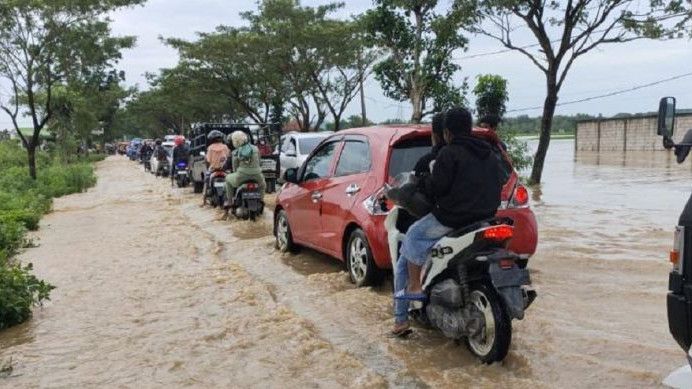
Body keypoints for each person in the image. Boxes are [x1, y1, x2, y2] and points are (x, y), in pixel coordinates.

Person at [391, 107, 505, 336]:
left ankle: (413, 288)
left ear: (446, 132)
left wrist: (425, 182)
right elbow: (501, 179)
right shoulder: (490, 153)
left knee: (413, 234)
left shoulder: (448, 154)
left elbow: (436, 189)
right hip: (486, 217)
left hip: (452, 218)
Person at [224, 131, 266, 209]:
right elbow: (259, 162)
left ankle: (229, 201)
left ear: (234, 141)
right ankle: (261, 200)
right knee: (263, 184)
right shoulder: (255, 148)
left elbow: (235, 168)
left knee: (227, 179)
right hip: (257, 175)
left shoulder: (235, 152)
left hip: (241, 176)